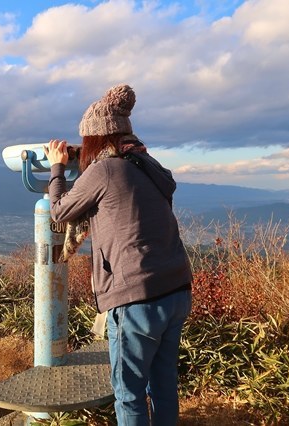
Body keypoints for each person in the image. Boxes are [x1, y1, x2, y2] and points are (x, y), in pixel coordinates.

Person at [44, 83, 193, 426]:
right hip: (176, 289)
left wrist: (57, 168)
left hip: (137, 298)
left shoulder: (105, 170)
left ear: (95, 139)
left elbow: (60, 211)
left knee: (128, 392)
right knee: (164, 383)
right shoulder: (146, 163)